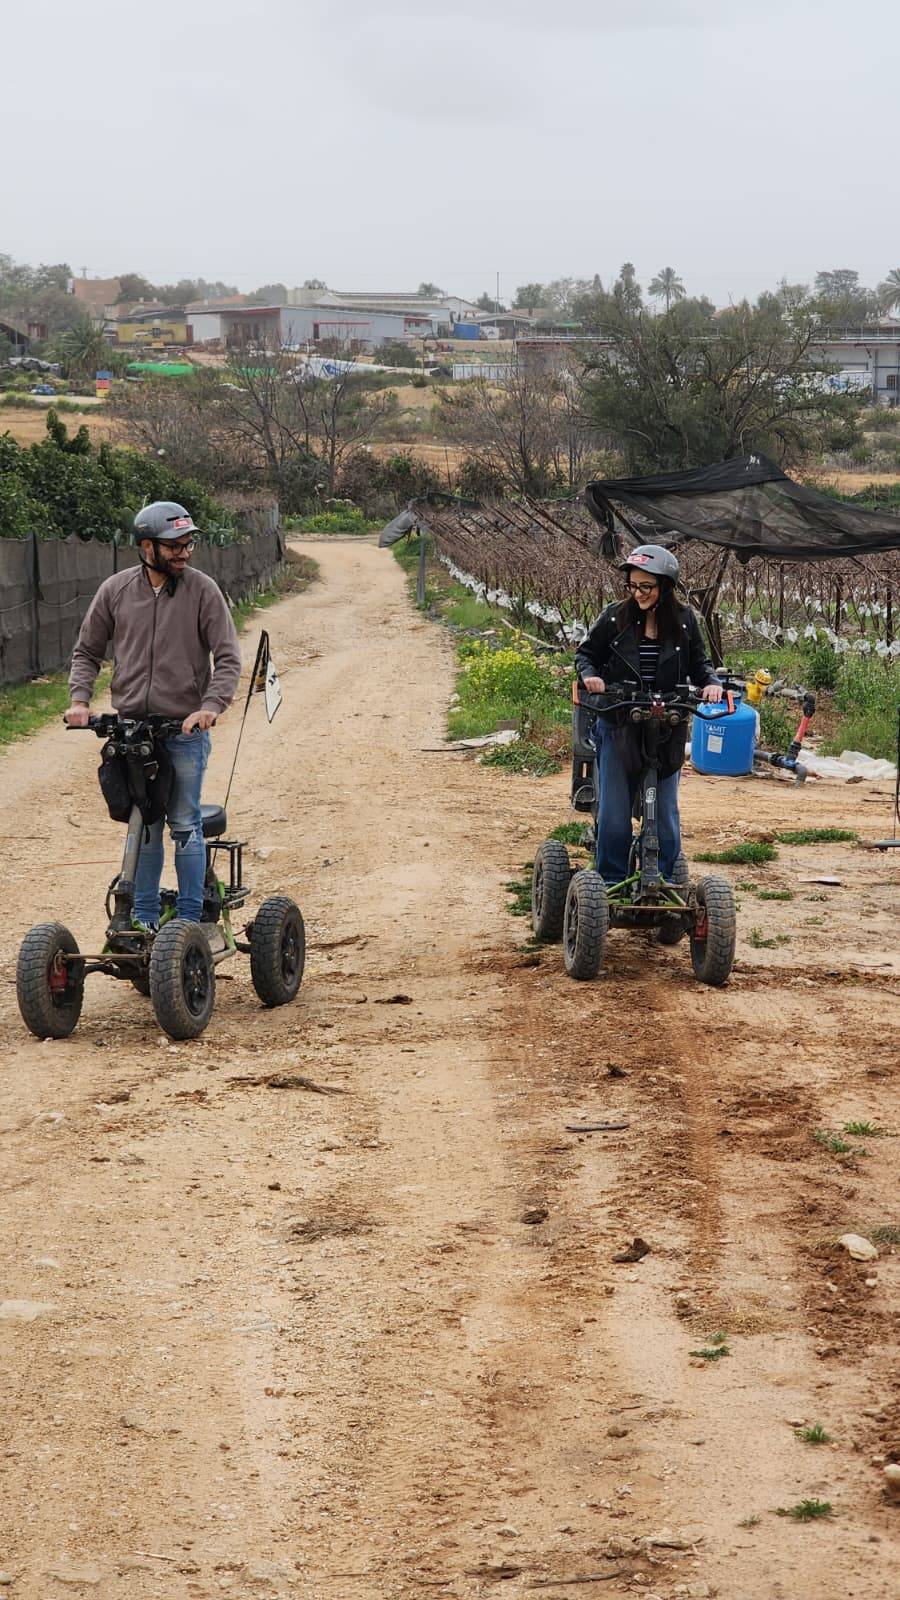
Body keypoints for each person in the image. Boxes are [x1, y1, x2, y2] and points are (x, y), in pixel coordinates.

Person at [66, 501, 242, 929]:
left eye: (188, 544)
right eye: (175, 546)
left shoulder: (203, 591)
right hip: (132, 732)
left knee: (184, 823)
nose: (185, 553)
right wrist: (80, 701)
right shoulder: (116, 590)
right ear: (147, 547)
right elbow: (87, 651)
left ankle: (190, 924)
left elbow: (228, 658)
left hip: (183, 730)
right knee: (144, 824)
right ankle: (144, 922)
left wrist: (209, 707)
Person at [574, 543, 722, 885]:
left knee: (665, 812)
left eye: (646, 586)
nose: (638, 593)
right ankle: (611, 881)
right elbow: (586, 655)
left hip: (668, 724)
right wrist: (590, 676)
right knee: (615, 811)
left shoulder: (684, 621)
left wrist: (711, 683)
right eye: (633, 585)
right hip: (620, 721)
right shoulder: (615, 617)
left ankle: (666, 879)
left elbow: (700, 663)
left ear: (665, 587)